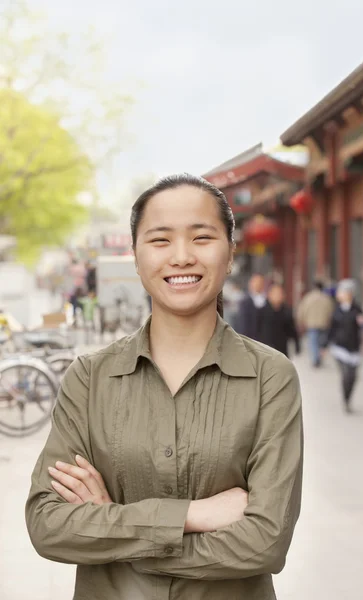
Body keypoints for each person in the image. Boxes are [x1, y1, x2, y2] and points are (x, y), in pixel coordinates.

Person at [26, 174, 303, 600]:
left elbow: (265, 543)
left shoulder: (270, 376)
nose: (181, 256)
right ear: (136, 258)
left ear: (230, 254)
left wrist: (113, 528)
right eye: (160, 240)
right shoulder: (89, 377)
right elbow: (49, 525)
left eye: (202, 237)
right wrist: (193, 515)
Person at [328, 279, 363, 413]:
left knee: (353, 376)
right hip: (340, 347)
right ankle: (345, 400)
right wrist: (324, 345)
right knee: (346, 375)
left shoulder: (357, 309)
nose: (340, 294)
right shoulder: (336, 310)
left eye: (342, 292)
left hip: (354, 347)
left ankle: (348, 397)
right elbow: (331, 327)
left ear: (349, 293)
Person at [297, 280, 334, 367]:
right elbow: (331, 311)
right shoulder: (326, 298)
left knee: (313, 342)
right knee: (321, 343)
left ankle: (315, 359)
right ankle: (319, 358)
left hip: (311, 323)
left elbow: (302, 310)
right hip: (324, 323)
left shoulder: (308, 297)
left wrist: (301, 321)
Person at [263, 283, 301, 358]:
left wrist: (297, 345)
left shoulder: (286, 311)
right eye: (275, 293)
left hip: (282, 349)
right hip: (265, 349)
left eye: (280, 293)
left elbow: (292, 330)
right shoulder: (262, 311)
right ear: (269, 295)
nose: (278, 296)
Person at [236, 273, 268, 342]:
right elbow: (242, 324)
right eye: (255, 282)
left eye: (260, 282)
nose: (257, 284)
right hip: (249, 341)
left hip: (265, 343)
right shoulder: (244, 302)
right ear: (250, 284)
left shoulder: (267, 302)